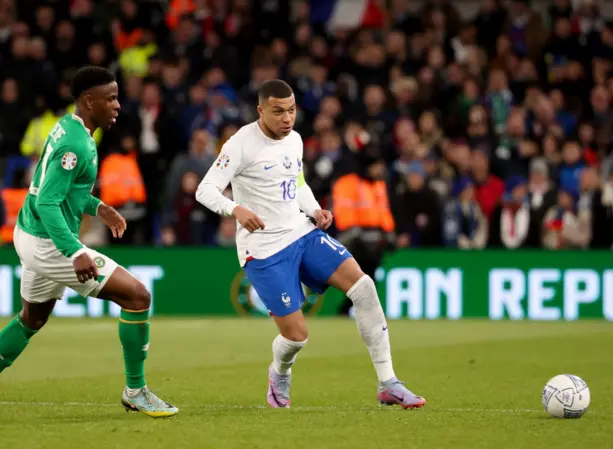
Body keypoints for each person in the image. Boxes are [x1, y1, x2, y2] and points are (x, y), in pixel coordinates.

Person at [195, 79, 425, 409]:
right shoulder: (240, 144)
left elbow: (296, 181)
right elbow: (205, 190)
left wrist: (314, 208)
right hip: (264, 250)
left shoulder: (296, 140)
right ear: (261, 110)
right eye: (278, 112)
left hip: (302, 233)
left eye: (291, 111)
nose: (287, 118)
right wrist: (236, 209)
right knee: (296, 336)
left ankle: (388, 383)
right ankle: (279, 372)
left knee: (364, 287)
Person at [0, 66, 178, 418]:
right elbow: (48, 202)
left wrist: (99, 207)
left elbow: (61, 190)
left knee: (31, 319)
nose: (117, 105)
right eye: (110, 98)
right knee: (138, 296)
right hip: (48, 242)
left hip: (32, 233)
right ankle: (136, 390)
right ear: (88, 100)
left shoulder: (72, 127)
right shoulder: (75, 143)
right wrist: (76, 251)